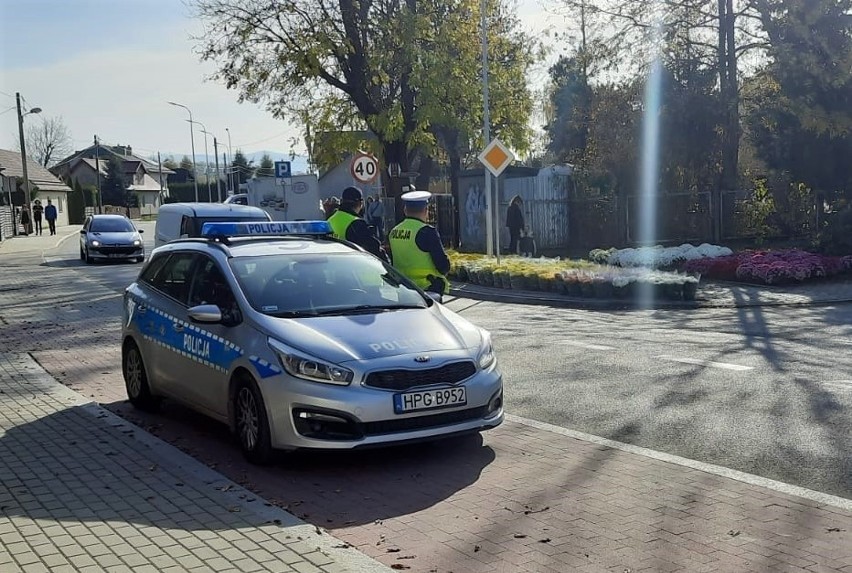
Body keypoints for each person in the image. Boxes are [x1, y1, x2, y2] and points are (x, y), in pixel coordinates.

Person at [388, 190, 450, 295]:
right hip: (427, 288)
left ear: (405, 210)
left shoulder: (394, 231)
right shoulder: (427, 231)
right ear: (426, 210)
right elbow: (443, 266)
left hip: (402, 289)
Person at [327, 186, 388, 261]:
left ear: (342, 201)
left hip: (334, 266)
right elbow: (374, 249)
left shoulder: (330, 220)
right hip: (352, 266)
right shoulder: (356, 223)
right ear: (360, 203)